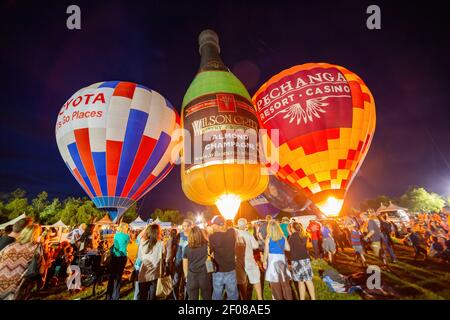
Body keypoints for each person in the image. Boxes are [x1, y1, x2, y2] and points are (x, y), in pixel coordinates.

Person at [0, 224, 47, 300]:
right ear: (36, 235)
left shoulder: (9, 246)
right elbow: (41, 270)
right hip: (17, 289)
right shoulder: (36, 248)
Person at [209, 215, 238, 300]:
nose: (212, 226)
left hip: (218, 270)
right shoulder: (232, 232)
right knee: (232, 295)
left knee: (217, 294)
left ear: (217, 225)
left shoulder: (212, 237)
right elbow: (230, 228)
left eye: (213, 224)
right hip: (231, 269)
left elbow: (209, 252)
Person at [263, 220, 292, 300]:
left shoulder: (268, 238)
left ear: (269, 228)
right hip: (281, 261)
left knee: (275, 285)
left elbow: (266, 250)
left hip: (272, 262)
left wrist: (264, 261)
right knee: (285, 284)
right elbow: (288, 248)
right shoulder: (283, 237)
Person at [287, 222, 315, 300]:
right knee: (308, 280)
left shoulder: (291, 238)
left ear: (292, 228)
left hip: (296, 261)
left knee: (300, 282)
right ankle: (313, 298)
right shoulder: (303, 235)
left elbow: (289, 250)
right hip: (305, 260)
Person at [235, 218, 263, 300]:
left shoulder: (234, 234)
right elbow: (255, 246)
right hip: (248, 260)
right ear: (245, 225)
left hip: (239, 261)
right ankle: (260, 298)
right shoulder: (248, 234)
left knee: (240, 282)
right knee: (256, 279)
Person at [182, 226, 212, 300]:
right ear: (200, 235)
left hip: (192, 278)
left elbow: (185, 266)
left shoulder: (186, 248)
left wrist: (187, 277)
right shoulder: (207, 247)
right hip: (205, 278)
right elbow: (210, 265)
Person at [138, 224, 165, 300]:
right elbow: (163, 256)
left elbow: (139, 257)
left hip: (143, 273)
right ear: (158, 232)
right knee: (152, 297)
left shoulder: (142, 242)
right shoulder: (161, 243)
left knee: (142, 296)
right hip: (155, 274)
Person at [106, 222, 130, 300]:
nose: (128, 229)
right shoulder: (127, 236)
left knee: (112, 276)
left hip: (114, 256)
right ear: (125, 228)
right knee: (118, 277)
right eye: (127, 227)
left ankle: (108, 296)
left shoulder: (116, 235)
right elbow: (126, 244)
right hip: (122, 257)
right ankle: (115, 296)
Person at [173, 219, 193, 300]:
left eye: (188, 226)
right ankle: (175, 297)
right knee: (176, 281)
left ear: (191, 226)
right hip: (179, 261)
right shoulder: (179, 235)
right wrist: (172, 258)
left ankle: (186, 297)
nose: (186, 228)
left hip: (190, 262)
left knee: (187, 281)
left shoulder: (193, 236)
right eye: (184, 226)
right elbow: (174, 248)